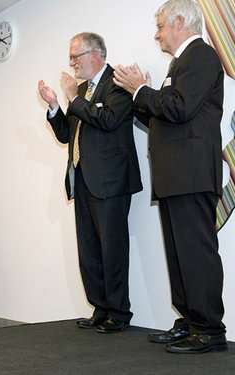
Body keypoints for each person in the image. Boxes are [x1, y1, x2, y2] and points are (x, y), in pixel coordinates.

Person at [113, 0, 226, 353]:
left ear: (179, 22)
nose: (157, 35)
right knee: (179, 254)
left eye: (160, 26)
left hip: (190, 171)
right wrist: (141, 98)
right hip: (175, 173)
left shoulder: (201, 56)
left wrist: (140, 92)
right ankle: (191, 321)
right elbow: (164, 119)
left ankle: (209, 330)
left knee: (196, 253)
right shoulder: (180, 64)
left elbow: (178, 108)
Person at [38, 33, 142, 333]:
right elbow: (66, 134)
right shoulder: (82, 90)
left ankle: (119, 314)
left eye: (76, 56)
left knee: (113, 249)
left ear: (96, 54)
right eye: (70, 58)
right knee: (89, 250)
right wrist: (56, 106)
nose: (72, 63)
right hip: (82, 180)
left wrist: (73, 99)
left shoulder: (118, 83)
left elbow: (108, 120)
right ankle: (101, 308)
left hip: (110, 182)